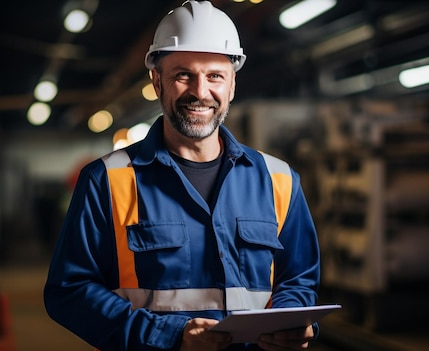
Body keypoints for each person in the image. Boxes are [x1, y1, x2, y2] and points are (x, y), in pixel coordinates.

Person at [44, 1, 320, 350]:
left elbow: (298, 280)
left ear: (232, 84)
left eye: (215, 76)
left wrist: (292, 318)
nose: (200, 92)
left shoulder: (279, 180)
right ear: (157, 81)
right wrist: (169, 336)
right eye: (183, 75)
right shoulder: (107, 181)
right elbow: (68, 292)